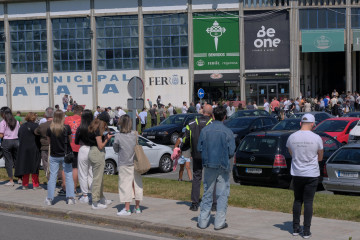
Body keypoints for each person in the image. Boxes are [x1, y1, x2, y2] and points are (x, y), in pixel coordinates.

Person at [197, 106, 236, 230]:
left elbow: (199, 148)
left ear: (213, 116)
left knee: (207, 192)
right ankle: (219, 222)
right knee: (222, 194)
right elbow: (231, 151)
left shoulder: (205, 130)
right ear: (224, 117)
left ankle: (203, 221)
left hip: (209, 165)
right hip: (222, 165)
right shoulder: (227, 131)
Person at [286, 114, 323, 238]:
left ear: (300, 123)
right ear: (313, 124)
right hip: (311, 173)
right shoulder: (317, 138)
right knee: (308, 202)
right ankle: (306, 231)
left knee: (297, 200)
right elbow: (320, 157)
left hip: (297, 173)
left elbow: (291, 152)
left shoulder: (292, 136)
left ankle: (296, 228)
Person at [181, 104, 216, 212]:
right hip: (210, 155)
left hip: (196, 155)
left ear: (202, 111)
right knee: (211, 179)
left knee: (196, 178)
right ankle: (214, 204)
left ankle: (195, 203)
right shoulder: (213, 124)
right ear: (211, 114)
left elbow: (185, 139)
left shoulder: (192, 123)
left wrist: (182, 148)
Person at [113, 115, 143, 216]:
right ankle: (137, 208)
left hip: (124, 163)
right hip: (135, 162)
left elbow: (116, 148)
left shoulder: (118, 135)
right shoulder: (135, 134)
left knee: (125, 185)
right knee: (137, 184)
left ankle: (127, 209)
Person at [45, 110, 76, 205]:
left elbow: (49, 142)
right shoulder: (66, 128)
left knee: (53, 177)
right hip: (65, 154)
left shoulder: (50, 128)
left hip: (54, 155)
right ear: (63, 117)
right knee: (68, 176)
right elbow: (70, 140)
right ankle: (70, 198)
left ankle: (50, 198)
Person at [88, 118, 113, 209]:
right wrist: (107, 139)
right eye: (105, 124)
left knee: (100, 178)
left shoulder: (93, 129)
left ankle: (101, 198)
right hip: (97, 153)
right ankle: (95, 202)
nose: (106, 126)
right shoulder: (97, 131)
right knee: (97, 179)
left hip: (94, 152)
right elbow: (100, 145)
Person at [15, 112, 41, 190]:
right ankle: (35, 184)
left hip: (23, 148)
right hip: (34, 148)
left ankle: (25, 184)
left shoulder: (22, 126)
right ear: (34, 118)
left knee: (25, 166)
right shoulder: (36, 126)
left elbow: (19, 135)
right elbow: (39, 136)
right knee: (34, 166)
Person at [75, 109, 94, 204]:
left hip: (83, 149)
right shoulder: (94, 127)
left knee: (83, 174)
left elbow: (76, 141)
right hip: (93, 149)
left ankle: (85, 195)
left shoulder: (80, 127)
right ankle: (94, 193)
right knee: (91, 173)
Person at [64, 105, 83, 195]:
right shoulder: (83, 120)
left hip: (67, 146)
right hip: (78, 146)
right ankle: (74, 188)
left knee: (66, 167)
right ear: (81, 112)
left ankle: (65, 187)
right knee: (75, 168)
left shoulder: (67, 119)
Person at [0, 107, 20, 186]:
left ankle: (11, 180)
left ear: (3, 114)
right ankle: (19, 179)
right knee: (17, 160)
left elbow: (1, 135)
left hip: (7, 142)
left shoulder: (3, 122)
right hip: (16, 141)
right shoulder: (16, 121)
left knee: (8, 161)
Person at [35, 107, 55, 181]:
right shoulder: (58, 125)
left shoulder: (42, 125)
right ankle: (60, 178)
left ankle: (49, 178)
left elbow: (36, 132)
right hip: (57, 147)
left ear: (45, 116)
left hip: (45, 146)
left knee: (46, 163)